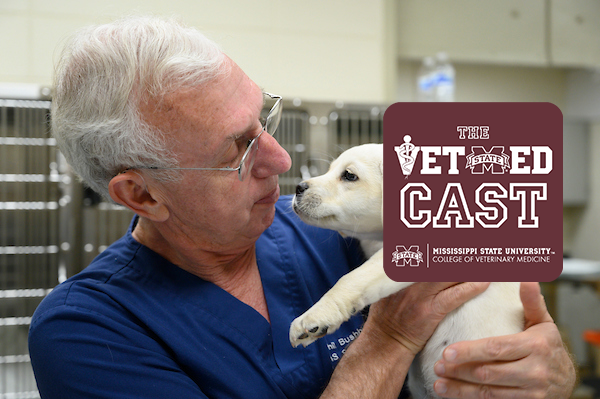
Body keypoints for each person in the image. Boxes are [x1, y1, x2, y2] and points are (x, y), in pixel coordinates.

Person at [29, 15, 576, 399]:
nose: (281, 158)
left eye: (264, 119)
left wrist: (547, 373)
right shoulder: (87, 332)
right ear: (142, 194)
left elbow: (511, 327)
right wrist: (389, 338)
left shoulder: (333, 231)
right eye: (238, 149)